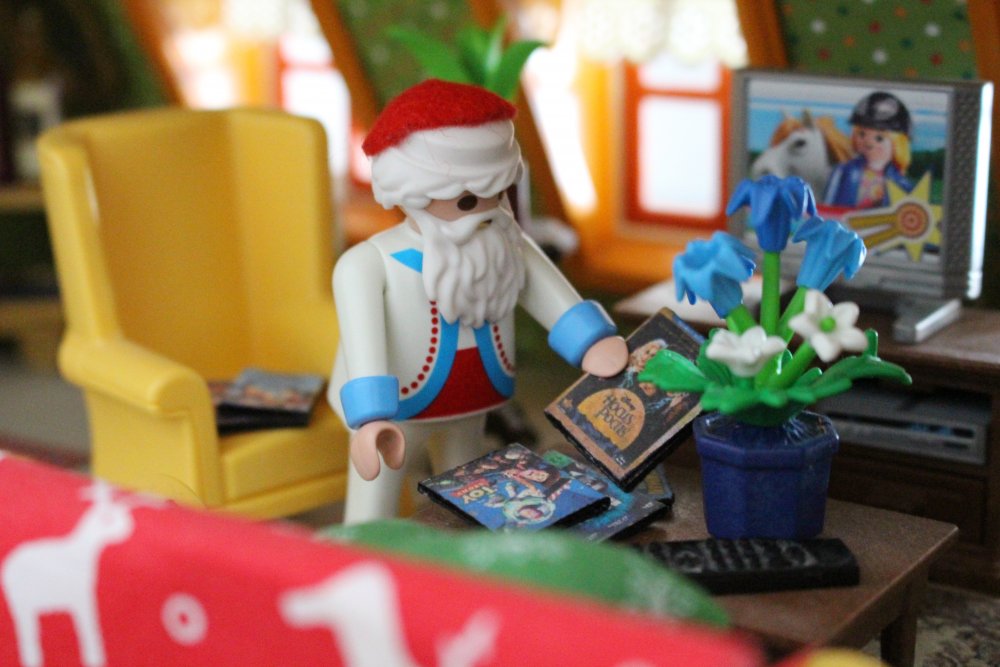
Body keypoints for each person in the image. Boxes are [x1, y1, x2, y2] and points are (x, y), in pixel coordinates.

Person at [329, 79, 628, 523]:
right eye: (468, 200)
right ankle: (363, 556)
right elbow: (363, 342)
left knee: (467, 499)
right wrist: (370, 417)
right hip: (398, 410)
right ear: (413, 190)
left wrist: (590, 341)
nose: (486, 212)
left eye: (498, 192)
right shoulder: (366, 265)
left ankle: (458, 559)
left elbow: (547, 291)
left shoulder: (505, 242)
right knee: (376, 506)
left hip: (471, 399)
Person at [822, 91, 914, 209]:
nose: (869, 142)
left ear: (898, 143)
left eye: (879, 138)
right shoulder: (843, 172)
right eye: (862, 134)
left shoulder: (901, 184)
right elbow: (827, 206)